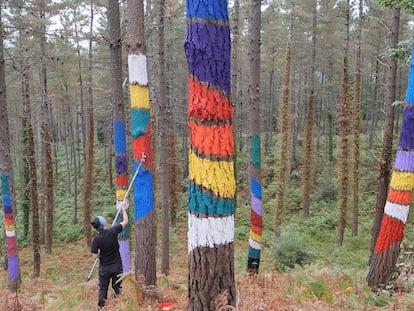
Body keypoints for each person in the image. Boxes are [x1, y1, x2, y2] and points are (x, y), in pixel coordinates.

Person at [90, 202, 128, 309]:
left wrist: (100, 254)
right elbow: (125, 222)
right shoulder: (113, 231)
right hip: (116, 266)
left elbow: (94, 256)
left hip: (104, 269)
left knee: (103, 289)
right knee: (117, 288)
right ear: (104, 223)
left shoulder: (97, 240)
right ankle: (119, 306)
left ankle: (101, 308)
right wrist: (124, 209)